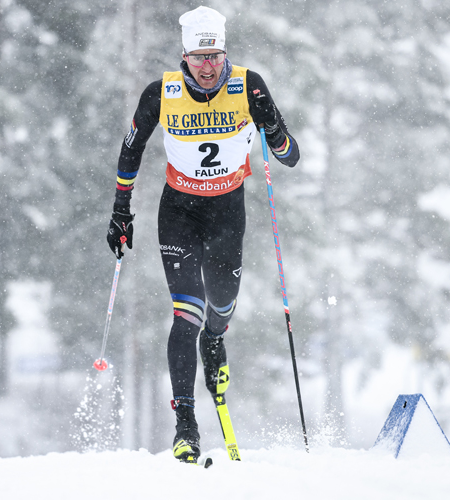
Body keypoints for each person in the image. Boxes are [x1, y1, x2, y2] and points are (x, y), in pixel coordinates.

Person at [105, 6, 300, 463]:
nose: (209, 67)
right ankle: (186, 426)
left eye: (215, 56)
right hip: (179, 212)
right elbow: (130, 151)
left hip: (228, 212)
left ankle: (217, 338)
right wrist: (120, 210)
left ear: (224, 52)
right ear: (185, 57)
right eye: (199, 57)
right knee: (185, 314)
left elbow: (290, 156)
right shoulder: (162, 93)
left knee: (222, 307)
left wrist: (273, 127)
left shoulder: (249, 85)